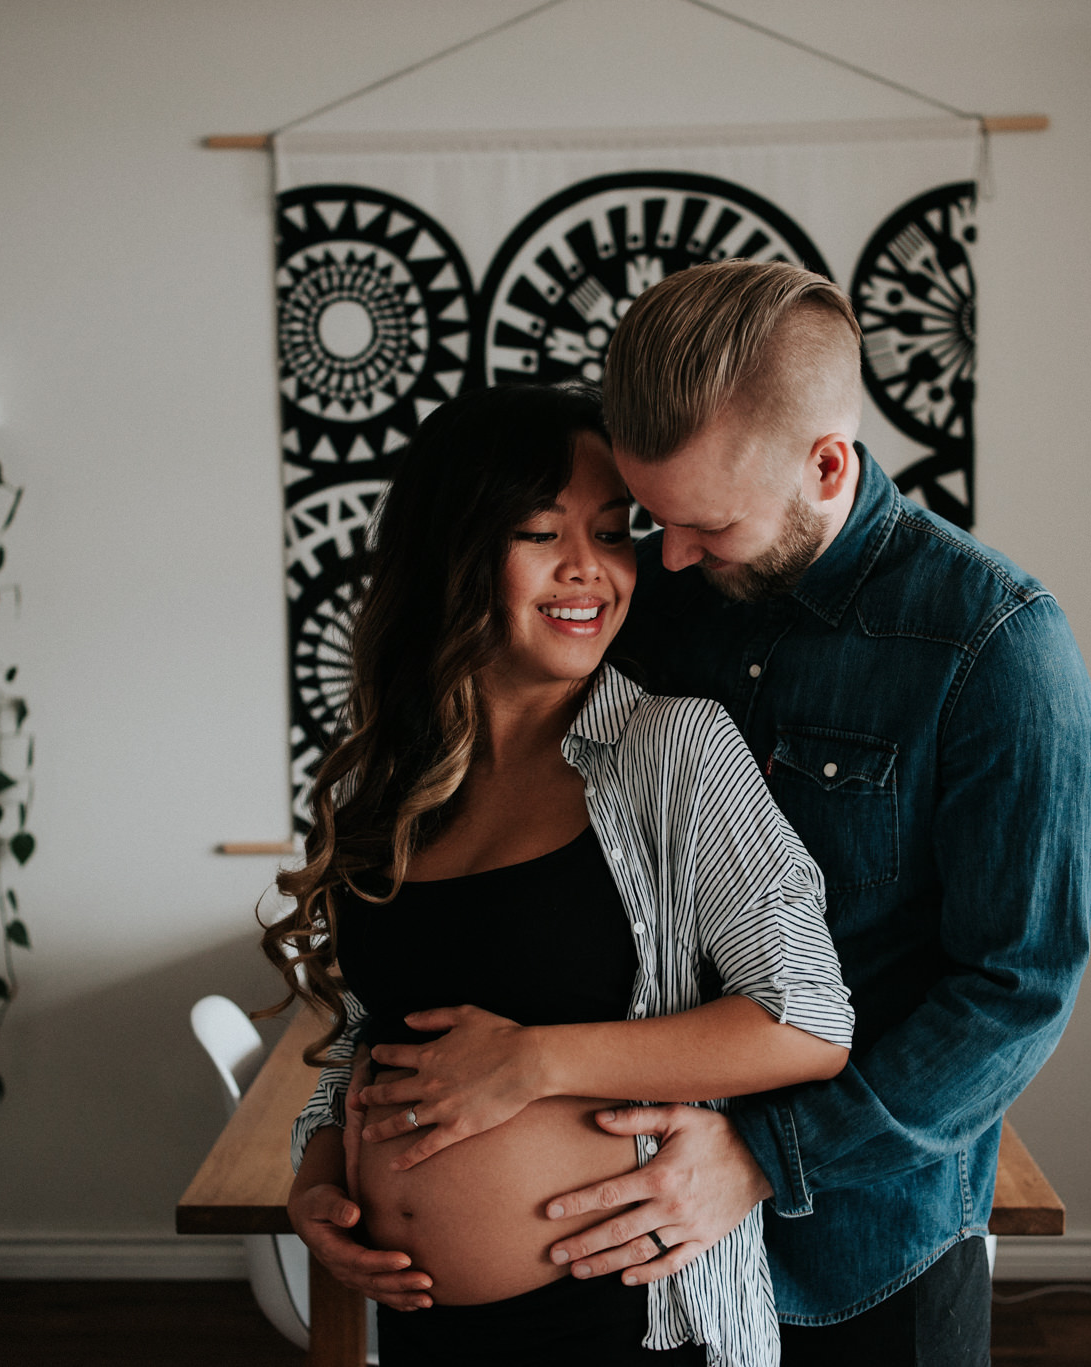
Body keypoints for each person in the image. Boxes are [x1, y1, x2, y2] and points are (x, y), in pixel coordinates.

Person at [525, 260, 1091, 1365]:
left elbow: (1012, 990)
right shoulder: (655, 606)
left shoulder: (997, 647)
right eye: (655, 518)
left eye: (706, 524)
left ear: (825, 463)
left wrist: (760, 1152)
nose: (671, 556)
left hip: (865, 1249)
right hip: (642, 1246)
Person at [261, 383, 855, 1367]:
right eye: (540, 531)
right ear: (452, 555)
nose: (590, 569)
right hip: (422, 1329)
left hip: (621, 1319)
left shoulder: (673, 750)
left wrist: (536, 1060)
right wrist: (316, 1170)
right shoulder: (390, 778)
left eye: (614, 532)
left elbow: (805, 1021)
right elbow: (382, 1031)